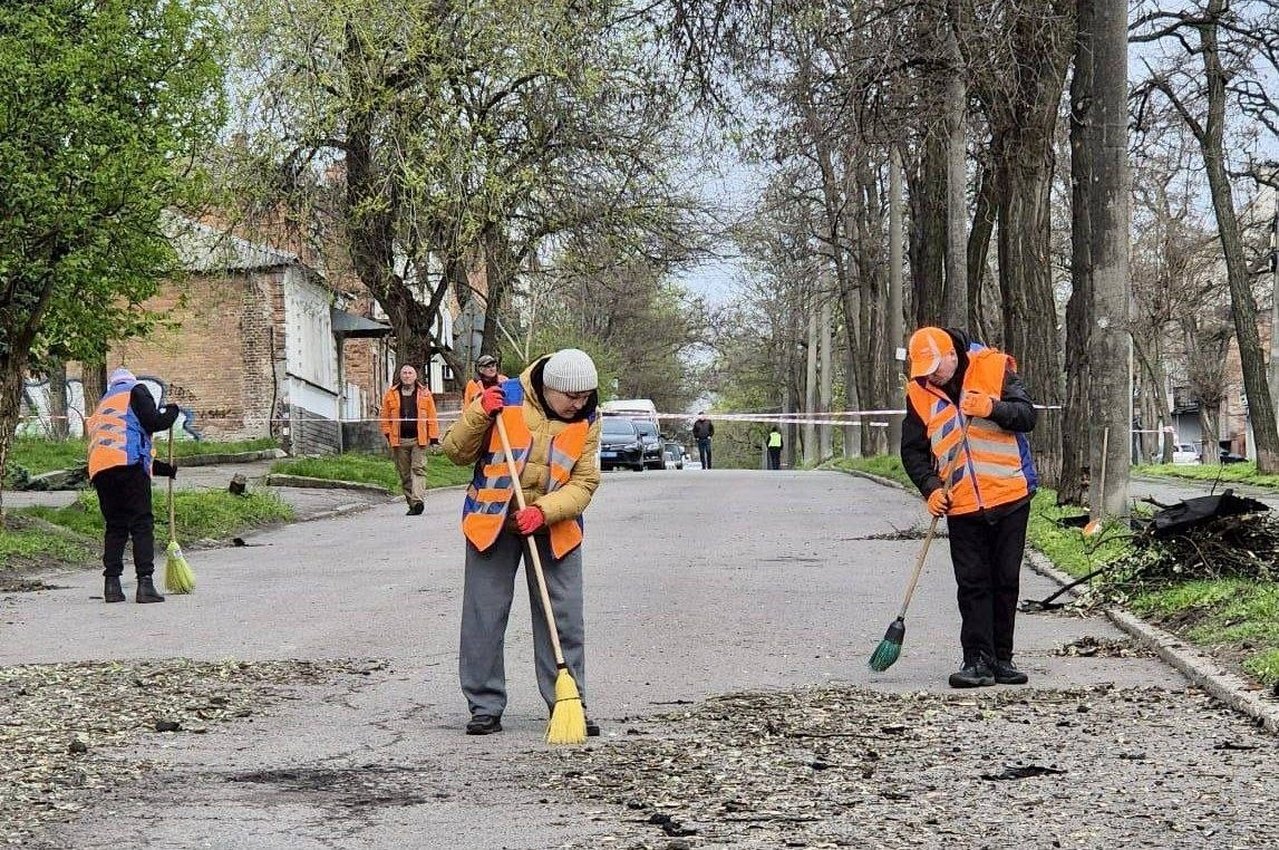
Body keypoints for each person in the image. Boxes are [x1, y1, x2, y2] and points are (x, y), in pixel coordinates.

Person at [442, 348, 602, 737]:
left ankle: (569, 702)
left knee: (563, 617)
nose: (578, 404)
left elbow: (584, 482)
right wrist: (480, 411)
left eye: (585, 397)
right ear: (548, 389)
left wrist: (543, 511)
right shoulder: (504, 397)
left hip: (553, 525)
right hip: (492, 521)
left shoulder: (590, 417)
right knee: (485, 614)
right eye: (571, 397)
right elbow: (454, 452)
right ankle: (484, 706)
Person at [900, 327, 1038, 689]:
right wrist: (930, 488)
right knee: (973, 583)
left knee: (1005, 580)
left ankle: (1002, 659)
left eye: (936, 367)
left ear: (951, 355)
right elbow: (913, 451)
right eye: (924, 369)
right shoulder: (918, 393)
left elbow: (1027, 416)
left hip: (1009, 493)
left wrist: (992, 408)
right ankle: (976, 659)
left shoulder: (993, 367)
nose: (932, 375)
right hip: (960, 502)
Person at [86, 367, 180, 604]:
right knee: (141, 523)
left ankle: (112, 586)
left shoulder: (104, 403)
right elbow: (153, 422)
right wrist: (172, 412)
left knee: (116, 525)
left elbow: (124, 442)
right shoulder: (136, 390)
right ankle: (145, 584)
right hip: (129, 467)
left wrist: (165, 470)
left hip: (100, 470)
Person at [380, 364, 441, 516]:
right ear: (400, 376)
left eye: (410, 373)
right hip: (399, 441)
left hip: (418, 440)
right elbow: (384, 417)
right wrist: (388, 434)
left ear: (415, 376)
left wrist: (433, 438)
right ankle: (412, 503)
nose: (407, 375)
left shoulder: (425, 394)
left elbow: (432, 417)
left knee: (418, 469)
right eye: (404, 373)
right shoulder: (391, 394)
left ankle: (418, 500)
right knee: (405, 474)